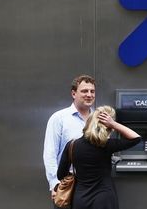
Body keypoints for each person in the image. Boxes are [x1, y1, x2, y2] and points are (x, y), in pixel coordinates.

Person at [57, 105, 141, 209]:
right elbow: (136, 138)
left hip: (81, 199)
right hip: (104, 199)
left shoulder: (72, 145)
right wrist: (113, 124)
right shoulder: (106, 145)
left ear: (90, 121)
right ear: (108, 126)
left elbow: (60, 175)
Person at [43, 74, 96, 206]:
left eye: (92, 91)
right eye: (84, 91)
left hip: (95, 184)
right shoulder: (59, 118)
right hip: (69, 184)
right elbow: (50, 153)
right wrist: (55, 184)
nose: (89, 95)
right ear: (73, 93)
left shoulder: (99, 118)